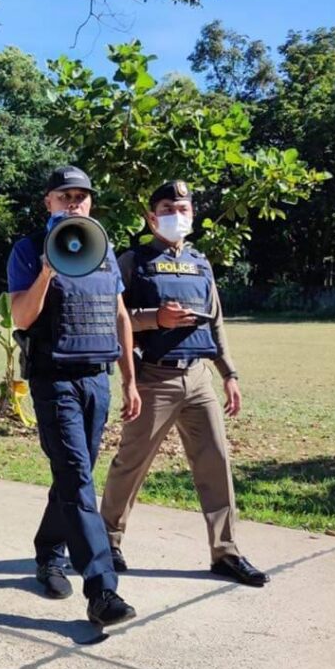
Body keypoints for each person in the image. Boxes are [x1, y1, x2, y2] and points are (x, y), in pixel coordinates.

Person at [99, 180, 269, 588]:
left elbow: (216, 321)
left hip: (198, 376)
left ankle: (225, 552)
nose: (177, 215)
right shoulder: (132, 261)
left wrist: (229, 374)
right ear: (151, 217)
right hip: (153, 376)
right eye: (168, 209)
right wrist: (154, 318)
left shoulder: (200, 262)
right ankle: (107, 542)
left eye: (184, 209)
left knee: (216, 462)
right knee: (131, 463)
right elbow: (113, 317)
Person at [7, 165, 142, 628]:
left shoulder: (102, 249)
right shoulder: (28, 250)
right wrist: (47, 271)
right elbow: (22, 317)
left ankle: (49, 552)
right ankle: (102, 590)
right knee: (77, 478)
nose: (73, 203)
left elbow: (119, 315)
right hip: (54, 380)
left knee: (73, 477)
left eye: (80, 196)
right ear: (48, 202)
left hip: (96, 380)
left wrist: (129, 379)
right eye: (64, 196)